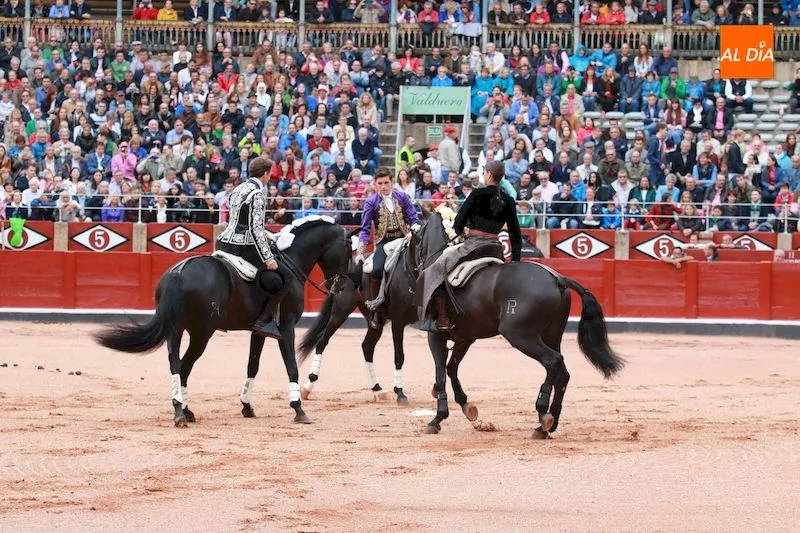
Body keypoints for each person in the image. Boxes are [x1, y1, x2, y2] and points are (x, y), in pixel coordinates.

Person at [418, 160, 522, 332]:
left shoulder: (477, 194)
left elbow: (459, 222)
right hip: (495, 249)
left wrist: (461, 231)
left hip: (474, 246)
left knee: (436, 268)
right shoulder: (509, 200)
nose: (483, 175)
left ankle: (442, 317)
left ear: (489, 174)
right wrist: (516, 261)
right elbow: (515, 234)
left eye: (484, 172)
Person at [216, 157, 289, 340]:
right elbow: (254, 230)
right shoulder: (257, 193)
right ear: (265, 174)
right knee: (285, 277)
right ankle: (263, 320)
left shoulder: (238, 189)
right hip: (243, 247)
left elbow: (239, 221)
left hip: (224, 242)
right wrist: (268, 258)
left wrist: (266, 233)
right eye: (270, 173)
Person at [355, 167, 420, 329]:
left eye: (386, 183)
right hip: (383, 243)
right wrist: (360, 252)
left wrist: (414, 230)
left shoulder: (402, 197)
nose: (383, 186)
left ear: (392, 182)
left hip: (404, 240)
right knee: (376, 269)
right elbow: (365, 229)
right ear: (375, 184)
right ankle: (378, 308)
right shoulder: (371, 202)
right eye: (380, 183)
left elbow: (413, 218)